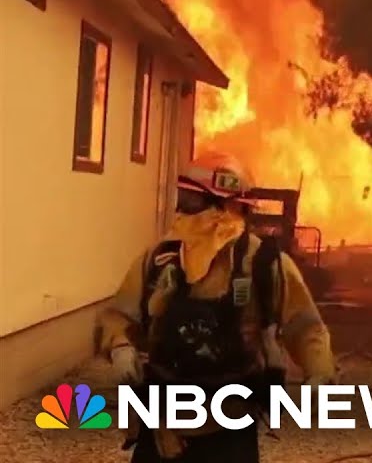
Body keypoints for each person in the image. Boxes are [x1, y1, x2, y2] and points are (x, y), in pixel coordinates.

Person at [95, 153, 336, 463]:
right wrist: (120, 346)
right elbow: (118, 315)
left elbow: (305, 325)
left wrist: (319, 372)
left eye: (192, 202)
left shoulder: (263, 265)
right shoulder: (159, 260)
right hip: (161, 424)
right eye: (182, 200)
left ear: (227, 208)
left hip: (230, 425)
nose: (182, 212)